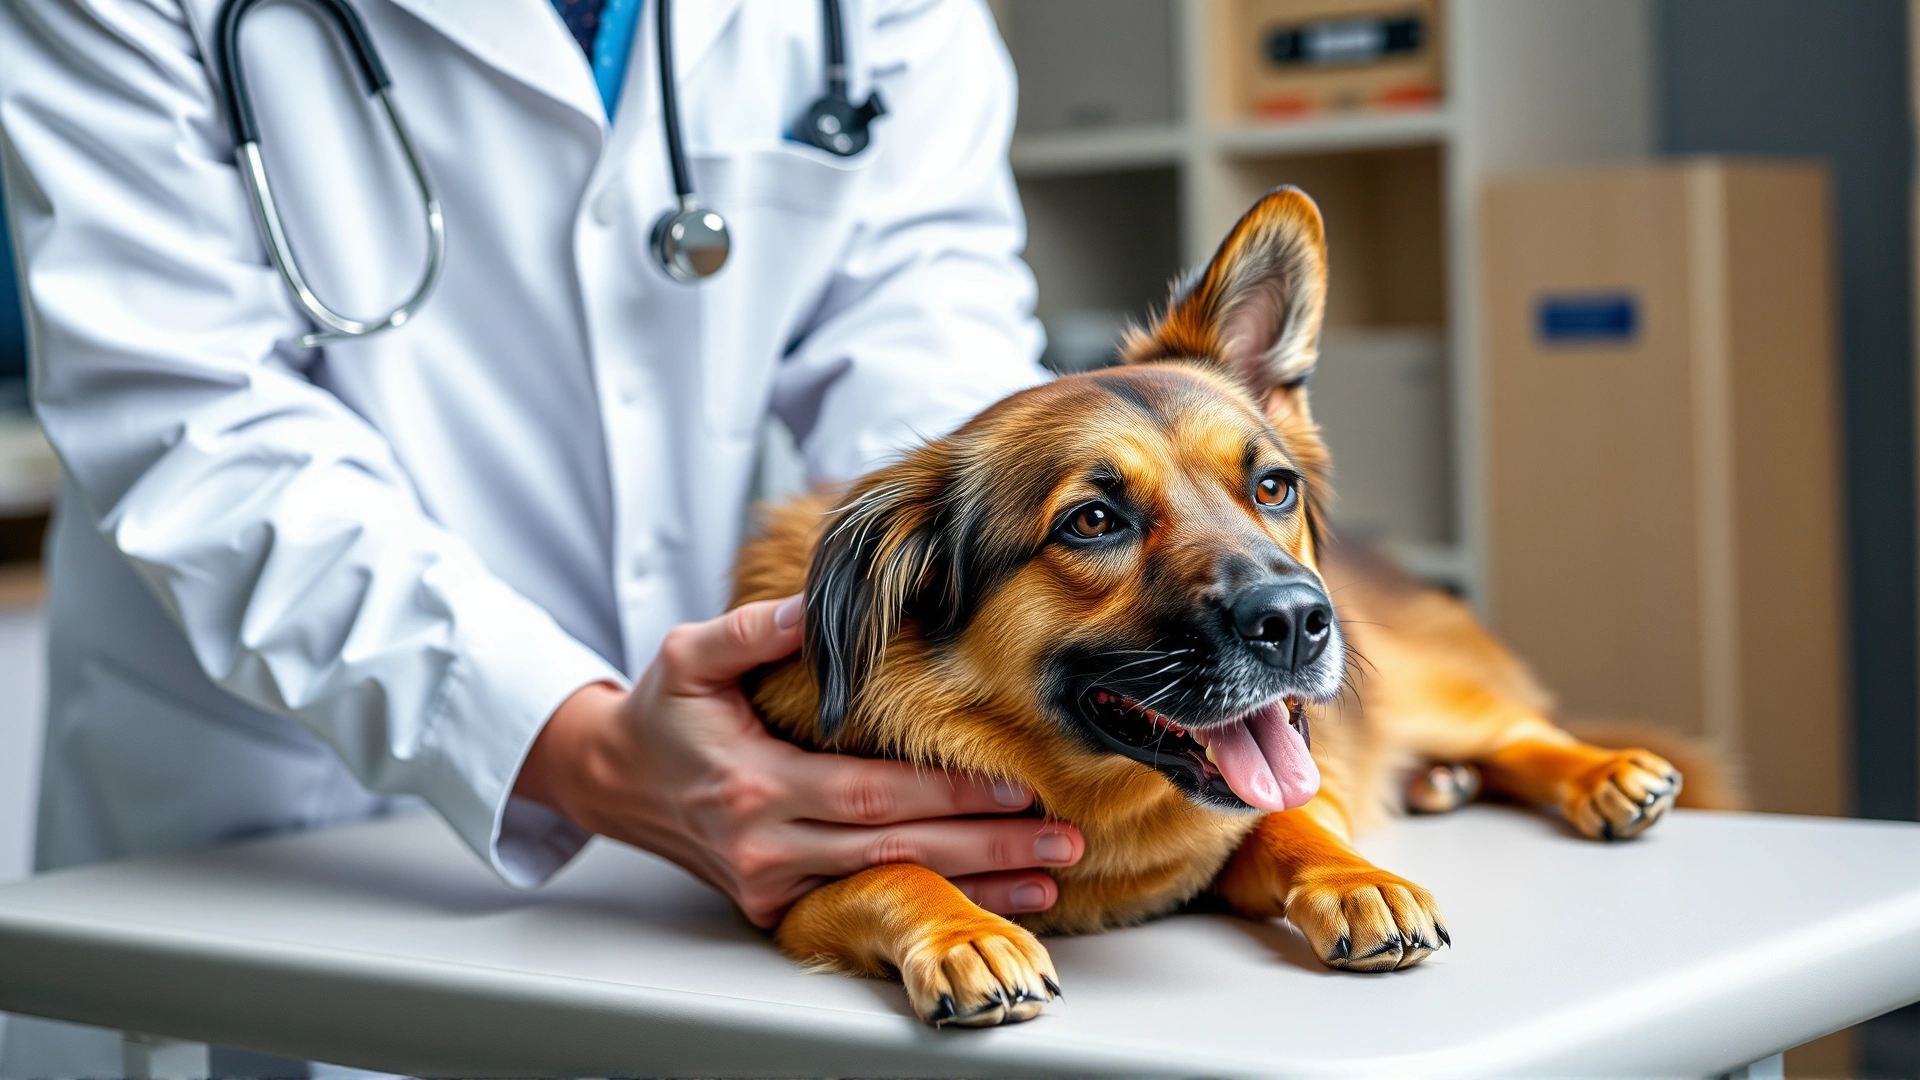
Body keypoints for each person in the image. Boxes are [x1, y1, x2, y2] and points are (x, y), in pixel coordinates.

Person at [0, 0, 1079, 1064]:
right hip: (279, 810)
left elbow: (926, 336)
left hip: (715, 838)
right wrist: (576, 745)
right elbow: (197, 426)